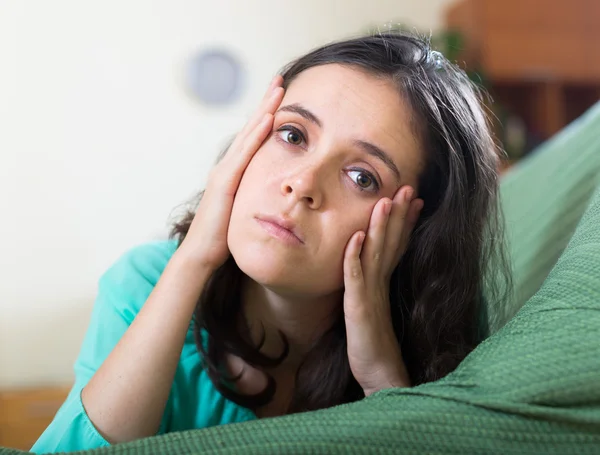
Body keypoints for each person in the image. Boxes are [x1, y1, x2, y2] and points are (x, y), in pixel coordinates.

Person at [31, 31, 510, 453]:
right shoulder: (142, 282)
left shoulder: (440, 336)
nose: (302, 184)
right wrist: (194, 259)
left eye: (362, 176)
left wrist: (382, 379)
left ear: (418, 232)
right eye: (292, 134)